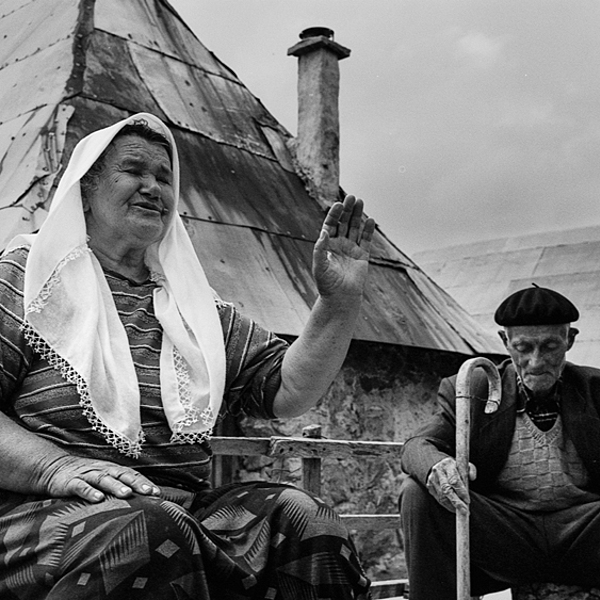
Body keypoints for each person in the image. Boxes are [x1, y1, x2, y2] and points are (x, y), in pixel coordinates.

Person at [0, 112, 376, 600]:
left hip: (174, 510)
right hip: (41, 511)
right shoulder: (27, 279)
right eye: (134, 170)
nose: (153, 187)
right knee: (146, 531)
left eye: (164, 177)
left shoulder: (194, 306)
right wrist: (58, 468)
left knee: (306, 520)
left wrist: (338, 301)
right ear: (85, 189)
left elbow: (288, 389)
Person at [399, 284, 600, 600]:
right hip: (508, 535)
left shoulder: (594, 388)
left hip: (582, 533)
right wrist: (438, 466)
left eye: (550, 346)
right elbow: (417, 445)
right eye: (523, 347)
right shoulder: (473, 388)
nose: (536, 362)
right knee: (417, 493)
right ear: (505, 342)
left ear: (570, 340)